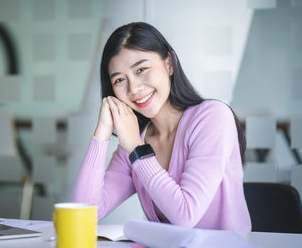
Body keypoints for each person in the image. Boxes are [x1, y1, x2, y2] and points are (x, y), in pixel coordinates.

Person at [71, 22, 251, 232]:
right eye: (120, 79)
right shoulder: (134, 141)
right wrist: (101, 134)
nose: (134, 88)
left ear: (169, 63)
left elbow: (185, 216)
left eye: (141, 69)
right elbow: (81, 216)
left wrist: (137, 149)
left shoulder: (212, 117)